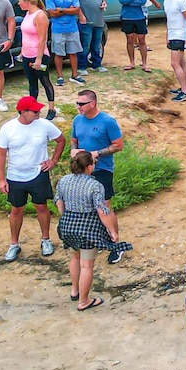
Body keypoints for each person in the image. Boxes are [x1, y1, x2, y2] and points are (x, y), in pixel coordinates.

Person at [55, 149, 129, 310]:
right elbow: (102, 211)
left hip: (67, 224)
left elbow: (59, 202)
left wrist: (65, 218)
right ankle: (84, 301)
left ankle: (74, 291)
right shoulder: (95, 185)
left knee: (75, 258)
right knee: (86, 265)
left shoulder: (63, 180)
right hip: (87, 228)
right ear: (89, 167)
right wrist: (112, 231)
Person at [0, 95, 66, 261]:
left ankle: (45, 239)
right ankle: (14, 244)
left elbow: (61, 140)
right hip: (15, 175)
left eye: (38, 110)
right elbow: (1, 154)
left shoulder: (44, 125)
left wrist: (53, 160)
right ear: (23, 112)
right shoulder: (8, 128)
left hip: (38, 173)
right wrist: (1, 179)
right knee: (16, 209)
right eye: (34, 111)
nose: (38, 113)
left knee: (41, 206)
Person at [70, 89, 125, 263]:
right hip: (81, 170)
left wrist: (96, 153)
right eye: (77, 103)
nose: (78, 107)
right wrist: (73, 151)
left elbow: (118, 145)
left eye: (81, 104)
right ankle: (101, 237)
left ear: (92, 104)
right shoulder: (77, 120)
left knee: (104, 206)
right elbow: (74, 140)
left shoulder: (107, 121)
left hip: (102, 170)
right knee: (90, 207)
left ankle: (116, 243)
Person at [15, 0, 56, 121]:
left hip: (39, 55)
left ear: (27, 2)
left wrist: (39, 58)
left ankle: (51, 108)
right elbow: (25, 35)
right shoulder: (28, 14)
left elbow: (42, 38)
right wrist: (22, 51)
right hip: (27, 54)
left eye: (20, 1)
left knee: (45, 81)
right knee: (32, 82)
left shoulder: (40, 16)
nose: (18, 4)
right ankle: (32, 107)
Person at [45, 0, 85, 86]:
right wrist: (68, 10)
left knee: (73, 52)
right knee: (59, 53)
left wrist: (61, 9)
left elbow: (77, 10)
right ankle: (60, 76)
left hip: (72, 27)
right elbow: (52, 13)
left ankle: (74, 75)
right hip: (58, 29)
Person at [117, 0, 158, 72]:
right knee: (130, 40)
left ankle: (145, 63)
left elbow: (142, 1)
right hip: (126, 16)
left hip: (139, 16)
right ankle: (132, 62)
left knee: (142, 40)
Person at [160, 0, 186, 101]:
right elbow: (169, 20)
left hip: (180, 35)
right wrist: (167, 36)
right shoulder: (166, 2)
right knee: (181, 62)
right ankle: (183, 87)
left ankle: (185, 91)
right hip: (173, 35)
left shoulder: (181, 1)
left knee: (174, 63)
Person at [74, 0, 107, 76]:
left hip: (98, 19)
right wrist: (81, 16)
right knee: (85, 43)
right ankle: (82, 66)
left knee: (96, 43)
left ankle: (96, 64)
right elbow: (75, 1)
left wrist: (104, 3)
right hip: (86, 20)